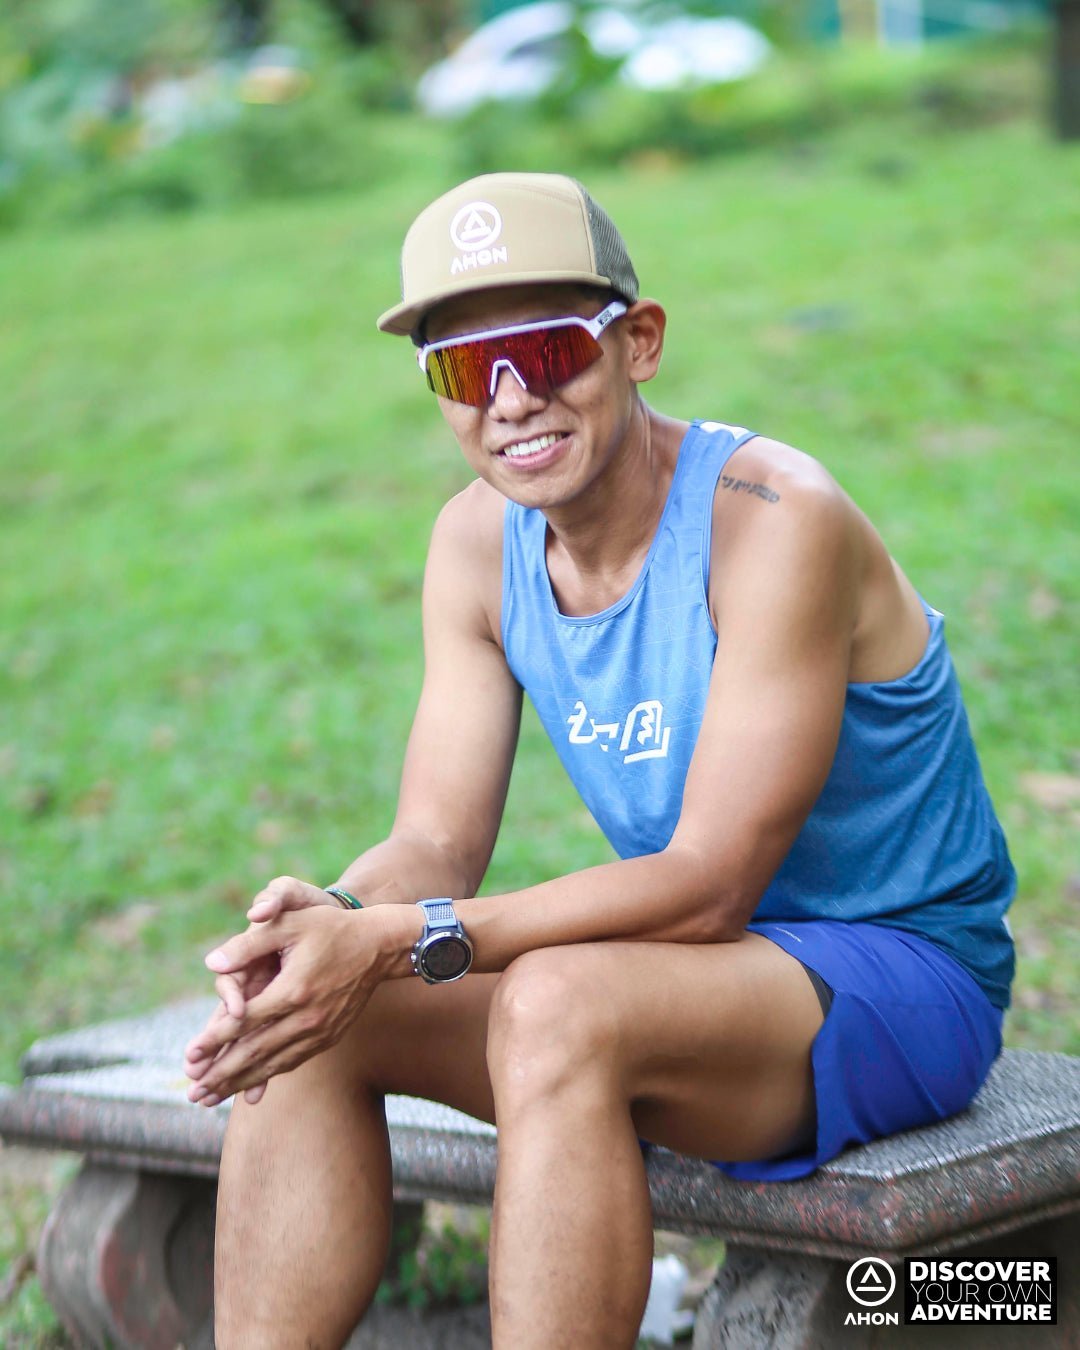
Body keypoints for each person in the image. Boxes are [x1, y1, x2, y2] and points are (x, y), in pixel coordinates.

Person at [183, 172, 1016, 1349]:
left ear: (639, 342)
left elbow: (711, 879)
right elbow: (434, 844)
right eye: (468, 369)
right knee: (310, 1010)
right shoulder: (476, 544)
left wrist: (398, 936)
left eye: (547, 349)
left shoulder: (771, 515)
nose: (514, 399)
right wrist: (326, 922)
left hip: (897, 977)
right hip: (690, 978)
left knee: (560, 1004)